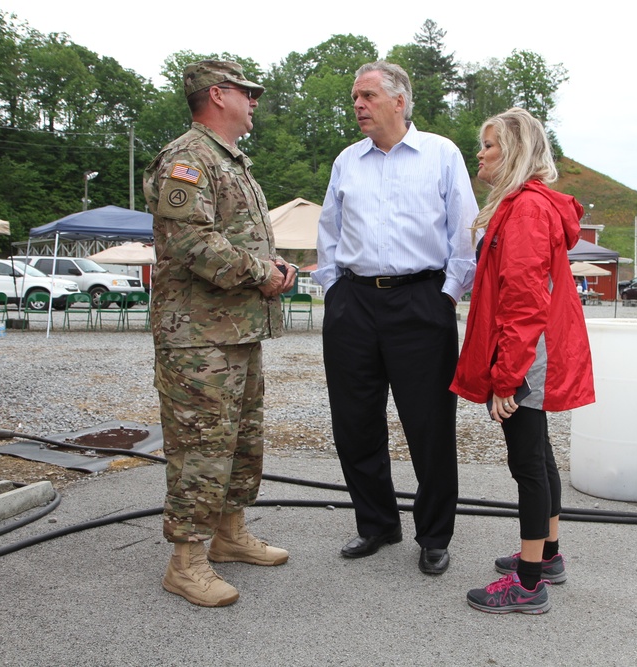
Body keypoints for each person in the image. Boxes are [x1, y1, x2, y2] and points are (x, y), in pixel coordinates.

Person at [312, 61, 477, 575]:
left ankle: (433, 534)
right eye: (355, 96)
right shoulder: (348, 161)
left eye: (367, 96)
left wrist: (446, 295)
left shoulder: (442, 155)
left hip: (420, 300)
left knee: (428, 425)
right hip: (354, 302)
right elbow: (329, 230)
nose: (357, 105)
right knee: (354, 421)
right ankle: (377, 523)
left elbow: (464, 232)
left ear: (399, 101)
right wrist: (334, 291)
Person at [143, 60, 296, 606]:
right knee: (201, 445)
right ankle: (185, 562)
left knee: (240, 440)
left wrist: (273, 266)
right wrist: (263, 273)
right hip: (197, 337)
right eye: (246, 91)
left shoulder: (230, 160)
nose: (254, 100)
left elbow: (234, 237)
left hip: (234, 331)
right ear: (216, 94)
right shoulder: (187, 159)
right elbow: (190, 242)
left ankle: (229, 535)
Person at [451, 108, 595, 614]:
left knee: (528, 464)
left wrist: (507, 379)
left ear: (513, 151)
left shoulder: (527, 209)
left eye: (489, 145)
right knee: (541, 457)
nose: (480, 154)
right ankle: (547, 555)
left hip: (526, 355)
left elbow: (523, 301)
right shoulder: (523, 204)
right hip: (531, 351)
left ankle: (529, 583)